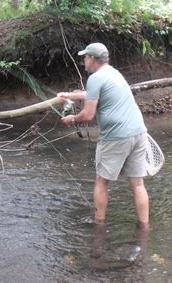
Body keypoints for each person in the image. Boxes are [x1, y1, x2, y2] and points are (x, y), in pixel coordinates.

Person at [58, 42, 150, 228]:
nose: (83, 60)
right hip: (139, 132)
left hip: (116, 136)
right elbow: (95, 93)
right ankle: (145, 226)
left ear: (92, 59)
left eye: (85, 57)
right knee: (137, 183)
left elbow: (88, 115)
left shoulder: (95, 78)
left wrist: (72, 119)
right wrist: (70, 95)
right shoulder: (114, 73)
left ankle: (99, 225)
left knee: (101, 181)